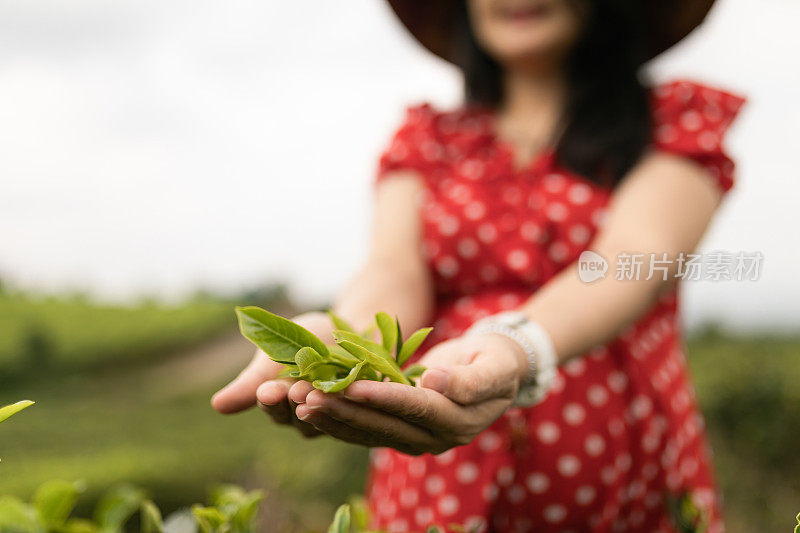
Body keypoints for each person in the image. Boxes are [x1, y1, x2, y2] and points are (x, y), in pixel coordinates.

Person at [212, 0, 745, 530]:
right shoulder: (428, 141)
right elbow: (394, 271)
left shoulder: (674, 120)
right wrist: (341, 338)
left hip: (623, 473)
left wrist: (518, 344)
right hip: (439, 480)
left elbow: (632, 260)